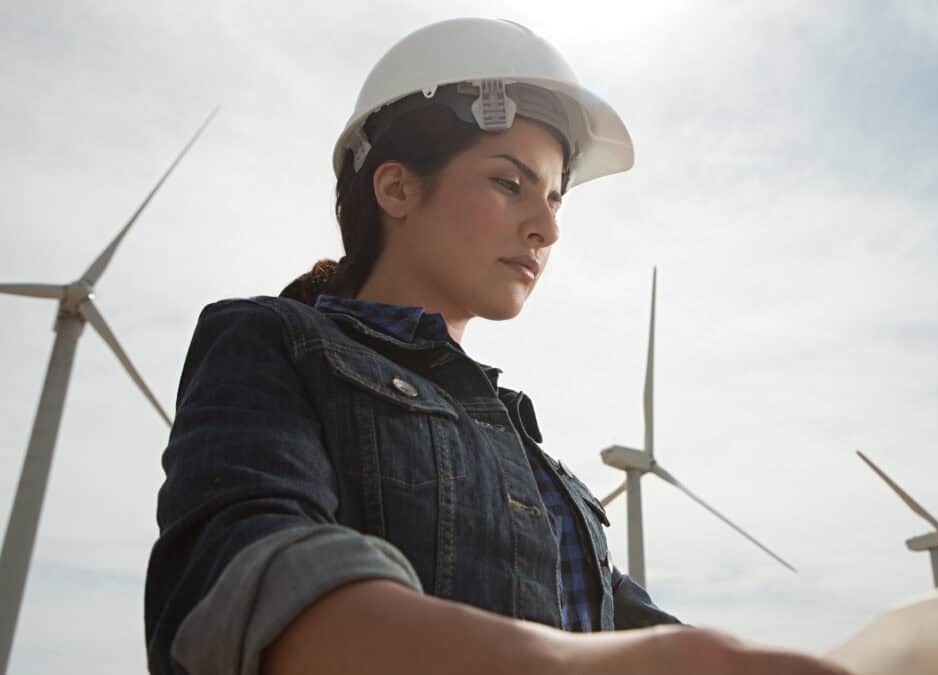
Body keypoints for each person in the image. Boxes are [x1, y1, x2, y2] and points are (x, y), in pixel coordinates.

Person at [144, 17, 850, 675]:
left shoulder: (543, 470)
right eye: (509, 183)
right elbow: (241, 584)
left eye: (556, 199)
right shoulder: (273, 341)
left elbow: (657, 647)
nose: (547, 228)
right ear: (395, 186)